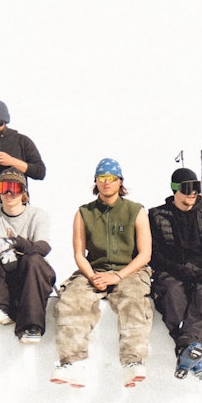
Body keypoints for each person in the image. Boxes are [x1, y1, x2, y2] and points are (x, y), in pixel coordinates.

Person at [51, 159, 153, 388]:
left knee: (134, 299)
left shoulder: (136, 211)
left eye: (111, 178)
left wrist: (118, 276)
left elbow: (145, 254)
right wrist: (93, 276)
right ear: (95, 181)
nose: (106, 183)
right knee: (71, 299)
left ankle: (133, 361)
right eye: (101, 178)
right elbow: (79, 253)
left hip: (130, 270)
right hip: (94, 269)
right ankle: (72, 363)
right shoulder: (84, 212)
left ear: (120, 182)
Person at [149, 167, 202, 379]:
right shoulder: (157, 215)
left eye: (196, 188)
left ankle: (189, 351)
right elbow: (154, 252)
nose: (192, 193)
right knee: (172, 294)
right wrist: (176, 268)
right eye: (187, 189)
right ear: (175, 190)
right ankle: (193, 351)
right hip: (173, 271)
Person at [0, 170, 54, 342]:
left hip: (30, 276)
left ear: (23, 192)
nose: (9, 193)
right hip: (0, 278)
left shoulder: (37, 215)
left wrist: (15, 243)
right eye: (5, 188)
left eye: (15, 188)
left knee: (33, 259)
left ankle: (32, 326)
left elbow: (43, 246)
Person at [0, 100, 45, 203]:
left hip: (17, 209)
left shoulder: (22, 141)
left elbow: (40, 172)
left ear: (5, 122)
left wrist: (11, 161)